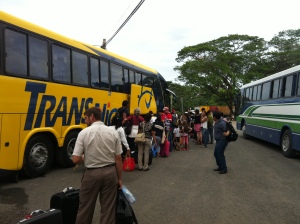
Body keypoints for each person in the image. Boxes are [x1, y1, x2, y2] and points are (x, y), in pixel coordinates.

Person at [72, 107, 123, 224]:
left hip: (91, 174)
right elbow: (118, 158)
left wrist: (86, 158)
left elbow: (75, 159)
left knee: (85, 208)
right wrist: (119, 179)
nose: (85, 121)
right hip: (110, 173)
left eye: (86, 118)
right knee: (108, 209)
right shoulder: (113, 132)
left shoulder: (83, 133)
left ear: (92, 117)